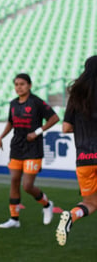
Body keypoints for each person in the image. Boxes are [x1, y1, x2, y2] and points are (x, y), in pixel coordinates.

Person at [0, 73, 59, 228]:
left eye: (22, 84)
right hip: (17, 146)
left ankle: (47, 204)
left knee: (27, 186)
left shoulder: (36, 102)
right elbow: (11, 123)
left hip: (33, 148)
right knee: (14, 181)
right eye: (16, 84)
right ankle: (14, 219)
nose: (19, 87)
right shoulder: (13, 103)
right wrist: (1, 137)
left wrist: (37, 132)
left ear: (29, 85)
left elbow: (54, 118)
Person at [56, 55, 97, 246]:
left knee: (90, 203)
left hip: (84, 158)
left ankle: (72, 215)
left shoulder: (76, 96)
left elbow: (65, 128)